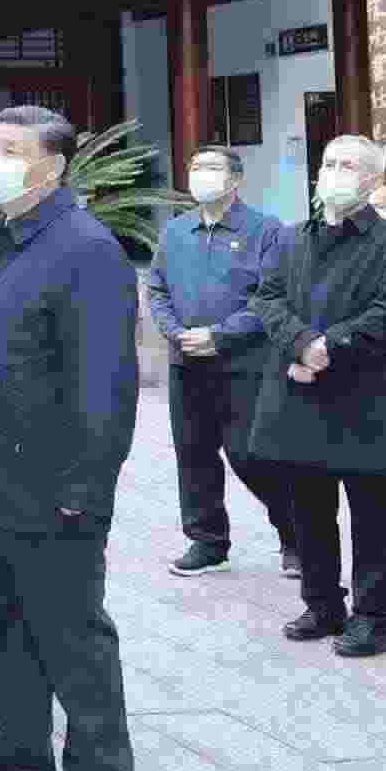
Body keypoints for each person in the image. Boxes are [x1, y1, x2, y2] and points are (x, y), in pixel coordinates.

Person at [0, 106, 142, 771]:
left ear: (49, 167)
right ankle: (21, 740)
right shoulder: (4, 236)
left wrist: (87, 484)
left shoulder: (85, 249)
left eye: (9, 150)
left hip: (52, 486)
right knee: (9, 627)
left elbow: (106, 382)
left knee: (73, 638)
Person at [240, 135, 386, 657]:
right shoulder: (290, 239)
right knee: (309, 513)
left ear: (374, 179)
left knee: (373, 518)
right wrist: (303, 344)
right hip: (299, 396)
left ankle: (374, 618)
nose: (335, 173)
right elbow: (267, 298)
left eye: (349, 165)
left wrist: (329, 347)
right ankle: (322, 604)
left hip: (365, 400)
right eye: (329, 163)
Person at [146, 145, 297, 578]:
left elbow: (272, 296)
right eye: (195, 166)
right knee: (193, 454)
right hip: (187, 361)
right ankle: (208, 541)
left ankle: (296, 535)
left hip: (244, 363)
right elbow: (157, 288)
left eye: (211, 167)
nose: (200, 174)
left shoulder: (266, 230)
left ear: (235, 180)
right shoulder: (176, 231)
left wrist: (220, 335)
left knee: (252, 456)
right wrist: (175, 331)